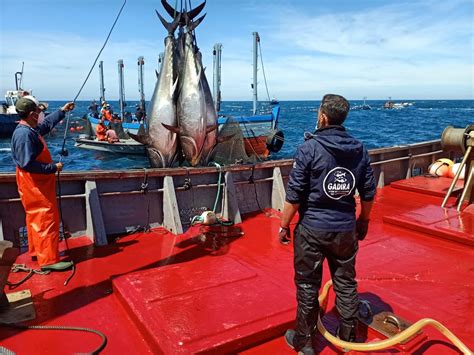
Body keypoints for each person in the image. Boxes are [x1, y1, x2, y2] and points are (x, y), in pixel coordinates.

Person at [280, 94, 376, 354]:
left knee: (308, 285)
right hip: (345, 230)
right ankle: (348, 336)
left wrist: (283, 225)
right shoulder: (359, 149)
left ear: (322, 117)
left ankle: (305, 342)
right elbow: (368, 192)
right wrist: (363, 221)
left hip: (312, 230)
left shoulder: (309, 149)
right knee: (345, 282)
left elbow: (294, 195)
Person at [11, 96, 75, 271]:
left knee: (36, 218)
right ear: (32, 114)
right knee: (45, 218)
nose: (40, 114)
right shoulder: (24, 135)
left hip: (35, 183)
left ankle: (37, 251)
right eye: (38, 112)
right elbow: (27, 163)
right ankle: (48, 260)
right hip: (34, 184)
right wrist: (53, 167)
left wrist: (62, 111)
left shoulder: (28, 129)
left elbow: (45, 126)